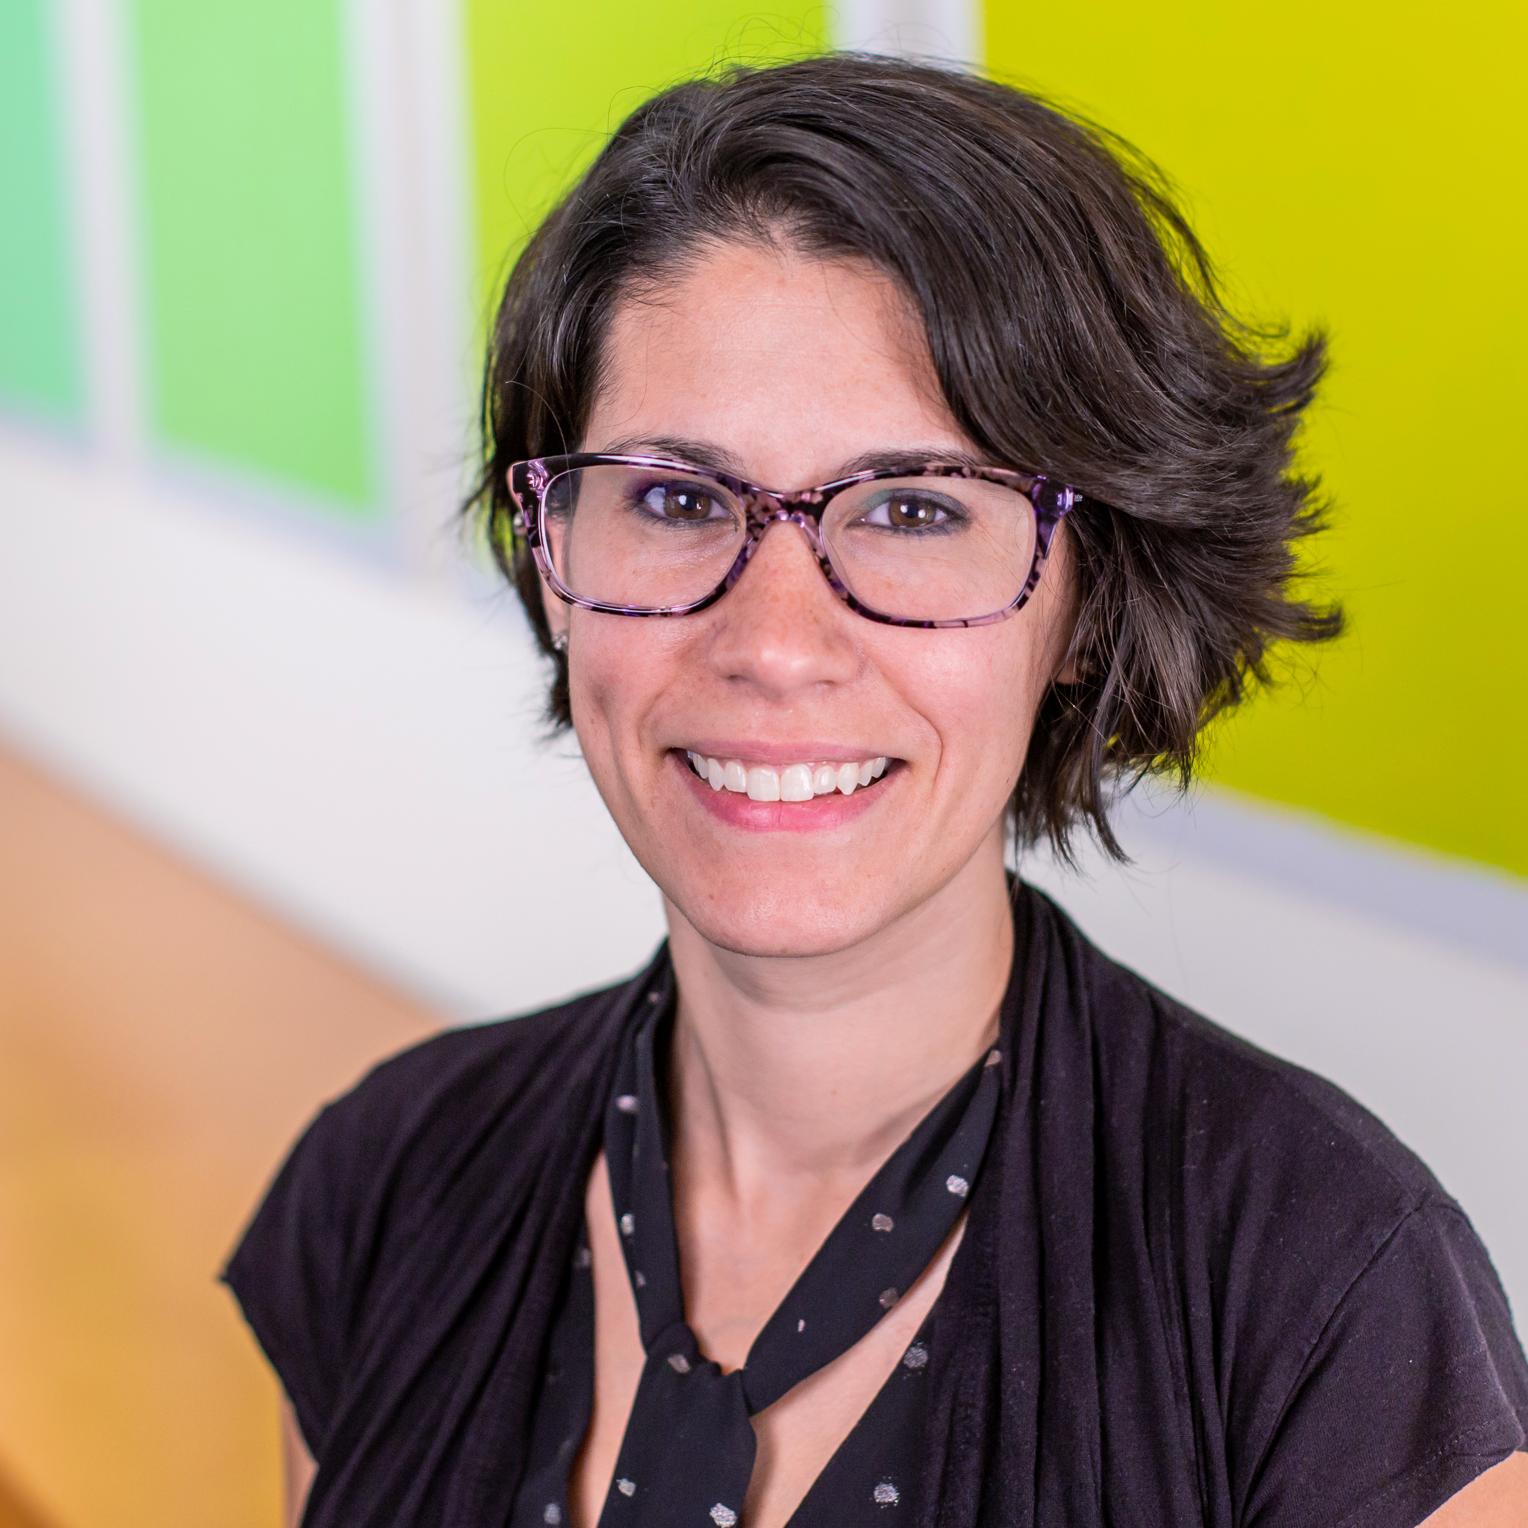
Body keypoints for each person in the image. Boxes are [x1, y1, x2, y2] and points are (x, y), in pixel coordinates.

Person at [219, 51, 1528, 1527]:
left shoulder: (1331, 1296)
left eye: (912, 509)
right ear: (553, 551)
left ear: (1085, 605)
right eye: (673, 497)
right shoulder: (380, 1190)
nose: (776, 643)